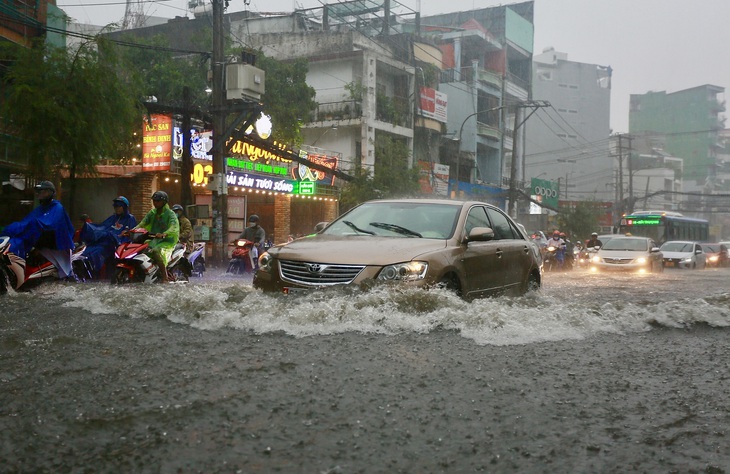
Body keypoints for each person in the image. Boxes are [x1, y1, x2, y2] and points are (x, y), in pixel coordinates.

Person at [2, 181, 75, 279]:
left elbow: (47, 223)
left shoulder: (57, 207)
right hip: (39, 241)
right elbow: (26, 222)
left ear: (51, 193)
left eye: (44, 191)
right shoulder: (40, 209)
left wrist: (29, 226)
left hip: (55, 245)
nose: (40, 194)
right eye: (39, 191)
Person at [79, 196, 137, 279]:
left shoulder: (130, 219)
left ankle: (96, 274)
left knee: (97, 252)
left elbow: (131, 233)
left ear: (124, 207)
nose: (116, 208)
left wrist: (120, 236)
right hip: (105, 241)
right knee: (89, 251)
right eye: (115, 206)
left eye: (119, 206)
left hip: (117, 244)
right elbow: (102, 227)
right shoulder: (112, 218)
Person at [132, 191, 179, 282]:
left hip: (167, 240)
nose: (155, 203)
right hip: (154, 239)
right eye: (154, 201)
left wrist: (165, 233)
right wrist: (132, 230)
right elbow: (142, 223)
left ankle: (165, 277)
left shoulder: (170, 214)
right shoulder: (152, 213)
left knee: (156, 251)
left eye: (157, 201)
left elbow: (173, 226)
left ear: (164, 202)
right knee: (142, 250)